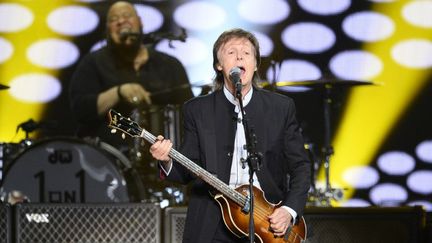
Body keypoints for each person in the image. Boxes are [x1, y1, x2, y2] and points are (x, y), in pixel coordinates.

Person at [150, 28, 311, 242]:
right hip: (212, 221)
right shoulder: (197, 110)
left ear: (255, 64)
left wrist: (289, 210)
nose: (239, 57)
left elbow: (301, 166)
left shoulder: (281, 108)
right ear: (219, 65)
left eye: (246, 53)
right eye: (231, 52)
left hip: (267, 221)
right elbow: (186, 171)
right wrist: (167, 160)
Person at [69, 1, 193, 149]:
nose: (121, 21)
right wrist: (119, 92)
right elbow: (80, 109)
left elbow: (189, 113)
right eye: (114, 19)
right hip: (109, 159)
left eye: (127, 16)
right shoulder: (93, 62)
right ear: (108, 30)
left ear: (140, 23)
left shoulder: (170, 65)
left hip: (163, 157)